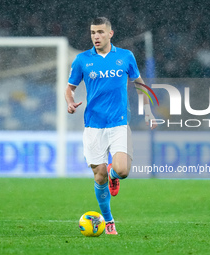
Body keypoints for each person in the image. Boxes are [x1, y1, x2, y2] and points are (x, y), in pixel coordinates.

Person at [65, 17, 156, 235]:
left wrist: (148, 110)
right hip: (94, 125)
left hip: (118, 123)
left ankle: (113, 175)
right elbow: (70, 88)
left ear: (110, 34)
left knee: (122, 170)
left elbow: (140, 84)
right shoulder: (82, 60)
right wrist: (70, 102)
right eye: (92, 33)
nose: (96, 36)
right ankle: (108, 220)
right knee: (98, 177)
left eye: (100, 32)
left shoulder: (125, 56)